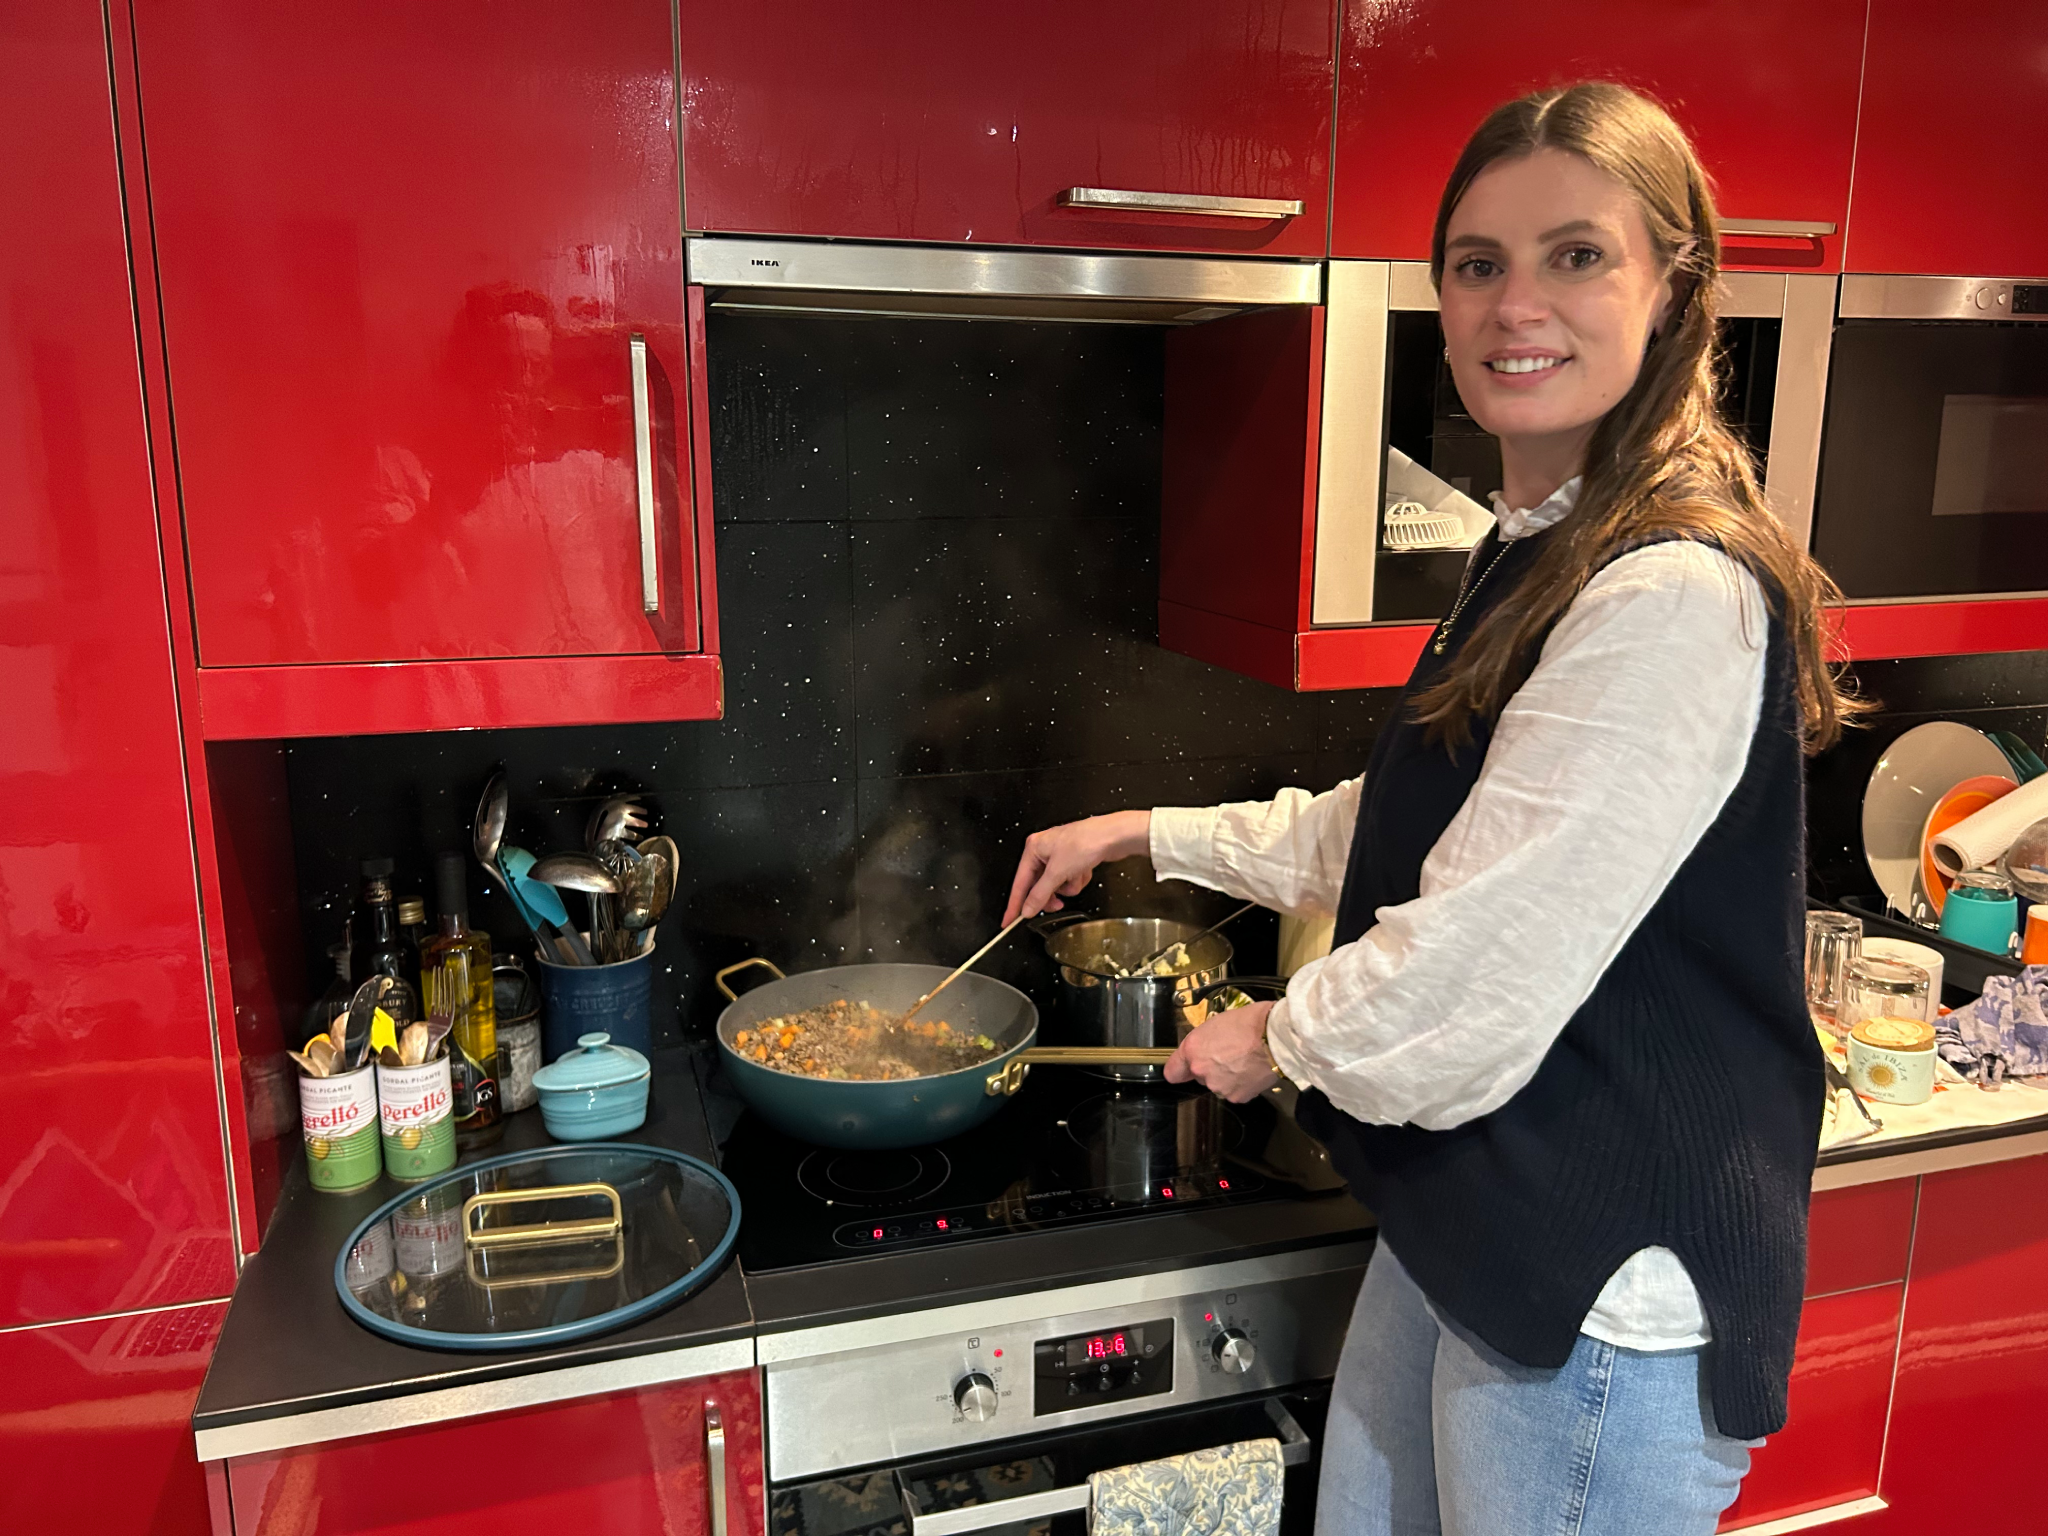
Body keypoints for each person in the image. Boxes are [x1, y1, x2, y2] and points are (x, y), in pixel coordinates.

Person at [1002, 82, 1865, 1536]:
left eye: (1576, 254)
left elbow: (1476, 965)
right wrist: (1142, 834)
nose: (1516, 303)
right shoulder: (1537, 544)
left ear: (1677, 283)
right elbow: (1409, 818)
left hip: (1605, 1289)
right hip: (1477, 1221)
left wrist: (1274, 1034)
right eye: (1478, 263)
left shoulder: (1668, 590)